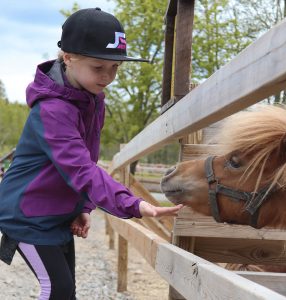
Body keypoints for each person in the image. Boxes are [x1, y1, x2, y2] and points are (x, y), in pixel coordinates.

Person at [0, 8, 182, 300]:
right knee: (57, 290)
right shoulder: (52, 110)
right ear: (68, 58)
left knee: (65, 291)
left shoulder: (94, 101)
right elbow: (81, 169)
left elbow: (90, 157)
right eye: (99, 68)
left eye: (115, 68)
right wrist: (133, 204)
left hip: (55, 213)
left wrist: (82, 206)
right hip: (27, 214)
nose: (108, 77)